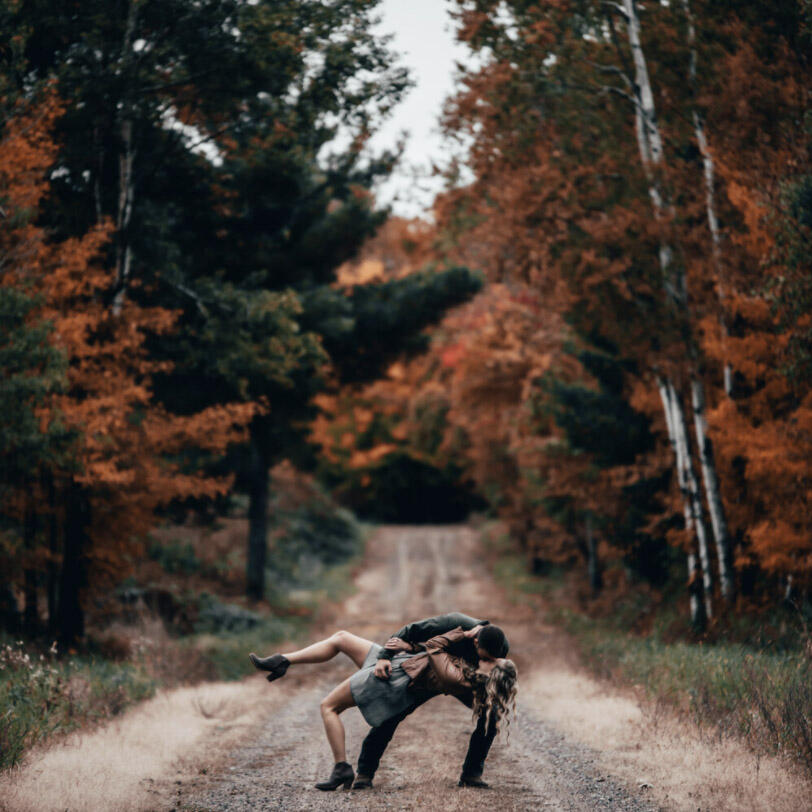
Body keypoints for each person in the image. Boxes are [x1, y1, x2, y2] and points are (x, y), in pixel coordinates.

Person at [248, 613, 516, 791]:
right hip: (423, 674)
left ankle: (471, 774)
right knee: (391, 715)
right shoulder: (457, 623)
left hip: (463, 680)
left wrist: (491, 685)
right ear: (475, 637)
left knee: (490, 718)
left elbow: (490, 670)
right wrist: (387, 655)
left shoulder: (496, 650)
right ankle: (364, 773)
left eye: (491, 659)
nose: (486, 660)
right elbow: (413, 631)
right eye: (483, 655)